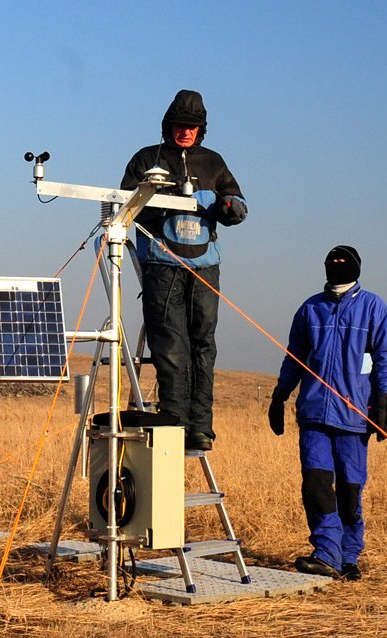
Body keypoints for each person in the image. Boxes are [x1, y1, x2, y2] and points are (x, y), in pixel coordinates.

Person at [121, 89, 247, 451]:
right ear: (168, 125)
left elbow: (237, 201)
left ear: (201, 129)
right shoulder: (147, 158)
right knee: (171, 346)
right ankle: (175, 423)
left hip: (205, 268)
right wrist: (158, 196)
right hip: (162, 265)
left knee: (203, 345)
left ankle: (201, 428)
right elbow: (125, 205)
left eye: (192, 127)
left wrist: (230, 207)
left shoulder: (214, 162)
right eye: (179, 125)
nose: (185, 132)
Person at [268, 246, 387, 580]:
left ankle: (348, 556)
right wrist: (279, 395)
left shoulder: (374, 308)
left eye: (343, 262)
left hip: (354, 416)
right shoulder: (310, 308)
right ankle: (326, 552)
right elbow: (293, 357)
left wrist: (384, 403)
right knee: (316, 485)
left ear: (356, 268)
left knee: (350, 489)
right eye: (332, 262)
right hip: (314, 414)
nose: (336, 266)